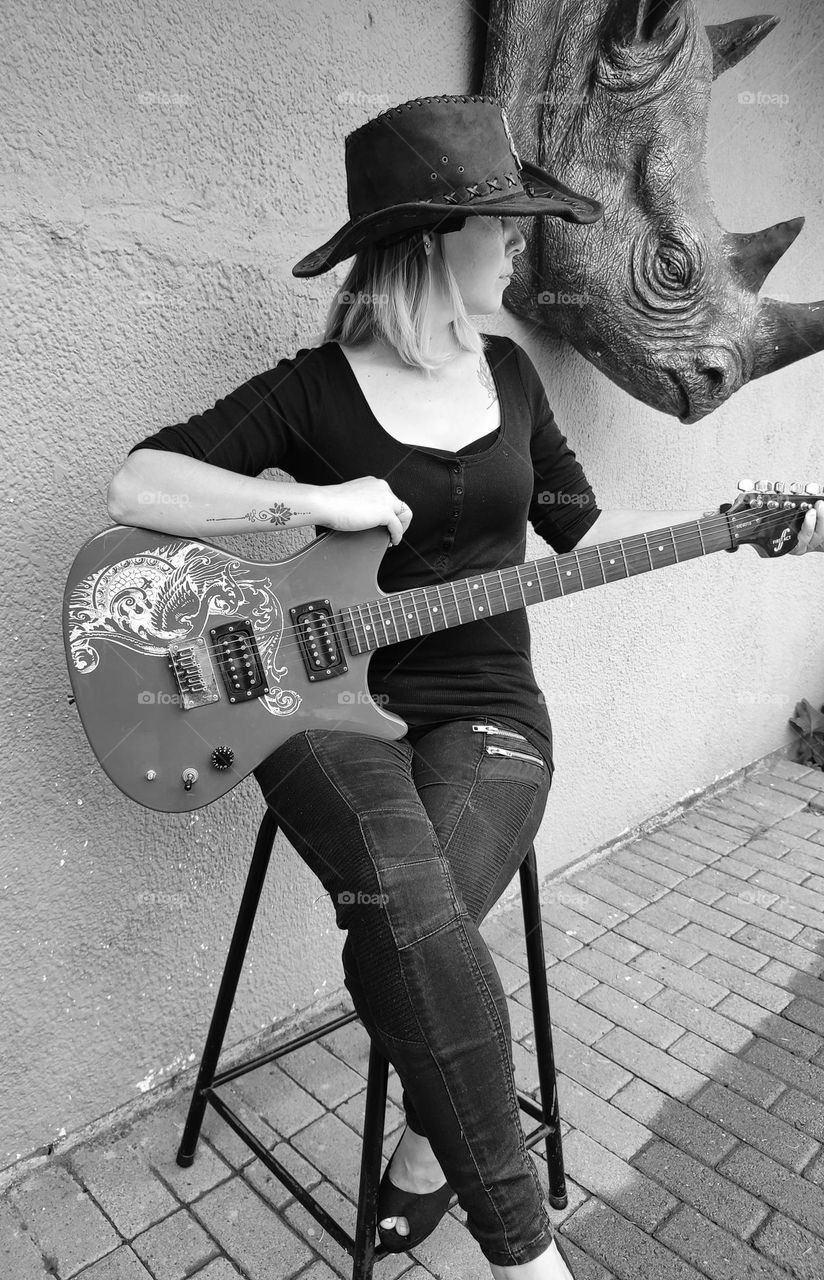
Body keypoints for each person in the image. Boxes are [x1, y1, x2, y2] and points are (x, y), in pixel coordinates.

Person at [105, 94, 824, 1279]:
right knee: (409, 904)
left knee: (407, 930)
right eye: (505, 226)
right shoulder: (315, 390)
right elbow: (141, 482)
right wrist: (311, 504)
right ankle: (527, 1253)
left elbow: (586, 527)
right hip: (314, 706)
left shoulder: (511, 379)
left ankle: (439, 1145)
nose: (523, 248)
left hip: (489, 708)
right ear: (438, 241)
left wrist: (732, 528)